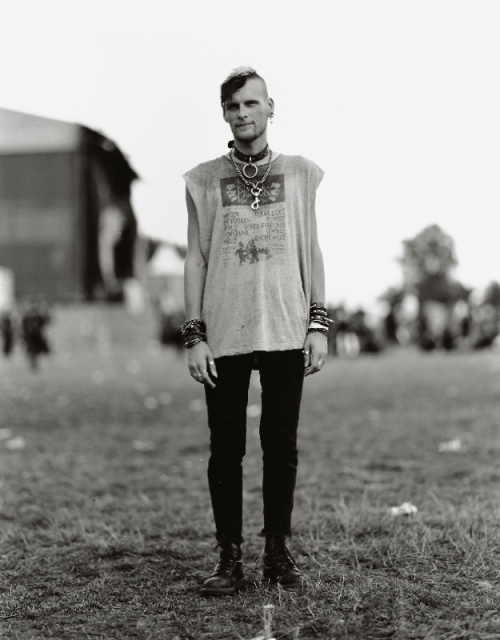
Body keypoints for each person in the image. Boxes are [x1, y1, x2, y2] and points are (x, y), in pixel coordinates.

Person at [182, 67, 329, 597]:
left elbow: (311, 248)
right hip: (225, 329)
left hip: (286, 324)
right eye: (232, 106)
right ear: (223, 113)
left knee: (280, 444)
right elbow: (196, 260)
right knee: (226, 448)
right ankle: (229, 557)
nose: (242, 113)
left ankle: (277, 552)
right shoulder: (202, 180)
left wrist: (318, 322)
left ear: (270, 107)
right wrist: (194, 334)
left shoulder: (301, 173)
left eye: (251, 103)